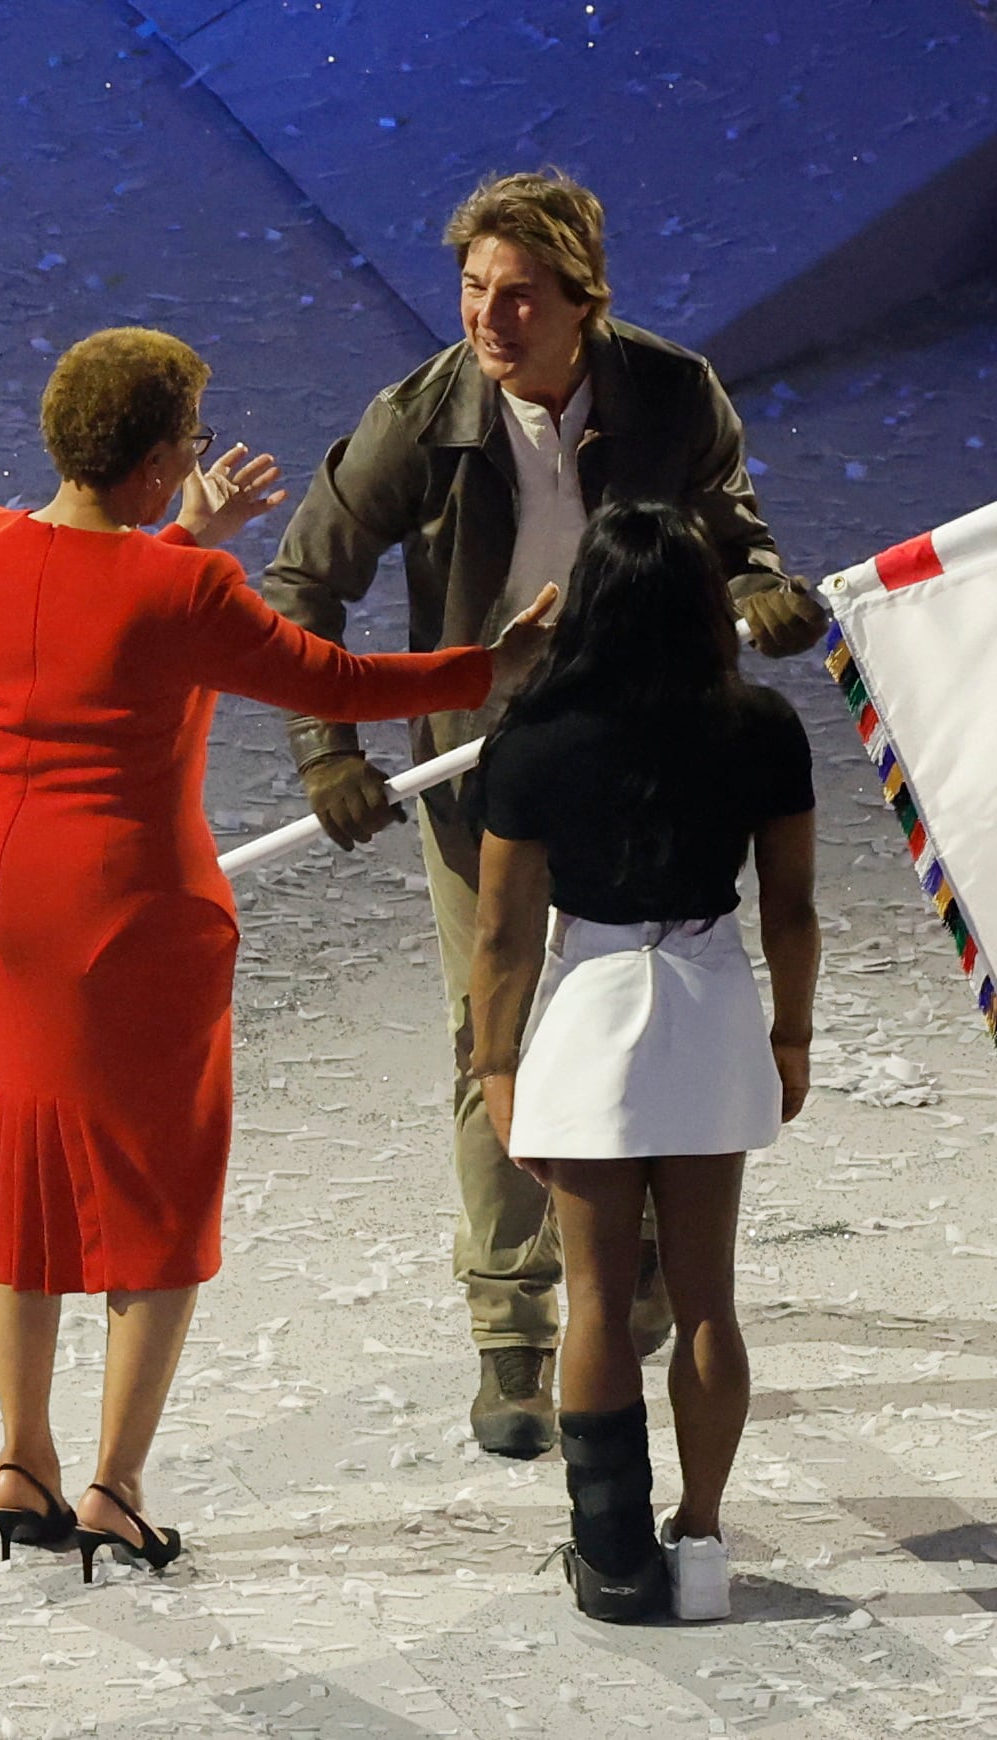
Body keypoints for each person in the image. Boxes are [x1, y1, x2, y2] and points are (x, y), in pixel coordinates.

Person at [0, 327, 554, 1584]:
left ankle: (22, 1461)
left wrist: (180, 532)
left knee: (33, 1164)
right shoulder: (188, 596)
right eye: (190, 444)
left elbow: (91, 602)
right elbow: (337, 678)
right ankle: (114, 1488)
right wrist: (497, 663)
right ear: (165, 457)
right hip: (130, 918)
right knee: (155, 1195)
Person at [261, 170, 828, 1459]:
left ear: (585, 303)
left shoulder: (671, 394)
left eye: (518, 295)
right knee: (497, 1023)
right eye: (473, 290)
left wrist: (766, 590)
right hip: (490, 767)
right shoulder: (422, 421)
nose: (488, 318)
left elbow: (732, 537)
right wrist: (324, 744)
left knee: (648, 1005)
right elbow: (301, 583)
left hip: (650, 751)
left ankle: (631, 1272)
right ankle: (514, 1326)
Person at [467, 501, 820, 1623]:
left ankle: (613, 1556)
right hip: (711, 1005)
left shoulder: (534, 736)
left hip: (591, 1010)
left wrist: (497, 1066)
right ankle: (703, 1542)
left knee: (597, 1304)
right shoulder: (760, 728)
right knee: (709, 1302)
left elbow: (501, 934)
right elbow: (794, 908)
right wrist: (792, 1036)